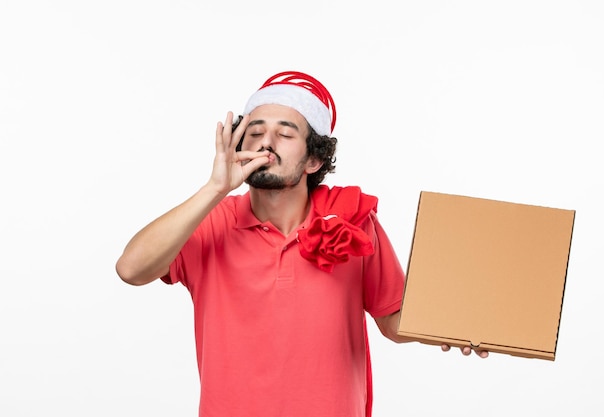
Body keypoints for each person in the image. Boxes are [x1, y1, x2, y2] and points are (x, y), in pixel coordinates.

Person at [115, 70, 487, 417]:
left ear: (313, 159)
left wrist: (454, 325)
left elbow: (391, 318)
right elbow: (131, 269)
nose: (266, 142)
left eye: (285, 133)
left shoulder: (353, 220)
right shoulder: (211, 221)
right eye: (255, 132)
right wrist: (214, 189)